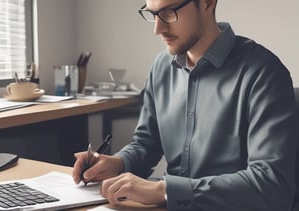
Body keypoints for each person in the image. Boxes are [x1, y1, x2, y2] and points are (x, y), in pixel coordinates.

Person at [72, 0, 298, 210]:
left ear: (208, 2)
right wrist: (119, 162)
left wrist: (165, 190)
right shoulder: (161, 66)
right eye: (153, 14)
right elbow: (147, 143)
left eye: (169, 12)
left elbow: (272, 185)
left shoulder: (264, 73)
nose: (157, 29)